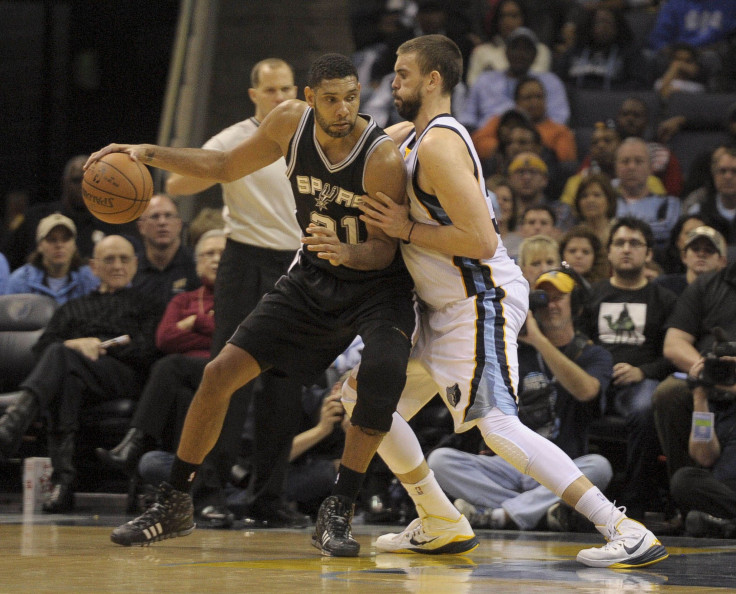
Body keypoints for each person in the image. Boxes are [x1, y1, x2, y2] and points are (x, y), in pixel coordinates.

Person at [356, 34, 667, 567]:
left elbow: (479, 241)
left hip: (477, 299)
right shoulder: (415, 136)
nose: (394, 82)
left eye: (404, 73)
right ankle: (439, 520)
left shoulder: (438, 143)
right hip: (441, 306)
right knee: (363, 400)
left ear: (434, 80)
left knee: (496, 426)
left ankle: (623, 527)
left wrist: (406, 226)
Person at [88, 53, 416, 555]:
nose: (344, 108)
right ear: (308, 100)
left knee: (384, 373)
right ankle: (176, 501)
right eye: (331, 99)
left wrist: (347, 250)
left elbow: (384, 249)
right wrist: (146, 153)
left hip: (374, 286)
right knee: (219, 374)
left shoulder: (381, 158)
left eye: (351, 97)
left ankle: (339, 510)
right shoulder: (289, 124)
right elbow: (222, 166)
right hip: (314, 275)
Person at [165, 57, 307, 529]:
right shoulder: (234, 139)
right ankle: (209, 493)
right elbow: (178, 182)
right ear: (254, 95)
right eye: (271, 90)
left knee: (285, 388)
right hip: (245, 260)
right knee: (229, 381)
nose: (280, 97)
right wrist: (223, 171)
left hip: (298, 264)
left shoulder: (311, 137)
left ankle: (269, 498)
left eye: (287, 88)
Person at [431, 267, 613, 532]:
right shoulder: (511, 351)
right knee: (439, 462)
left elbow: (586, 391)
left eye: (558, 297)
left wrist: (540, 342)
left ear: (577, 306)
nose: (550, 305)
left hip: (559, 466)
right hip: (507, 465)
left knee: (599, 467)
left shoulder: (593, 355)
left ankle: (498, 515)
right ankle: (535, 512)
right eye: (543, 298)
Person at [0, 235, 164, 512]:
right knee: (67, 376)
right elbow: (40, 350)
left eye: (124, 259)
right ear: (93, 267)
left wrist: (99, 348)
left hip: (125, 378)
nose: (117, 266)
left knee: (63, 358)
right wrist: (74, 345)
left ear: (135, 264)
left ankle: (12, 427)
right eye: (109, 259)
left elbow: (149, 350)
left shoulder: (148, 305)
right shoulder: (73, 308)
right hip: (79, 377)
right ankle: (65, 484)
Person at [95, 231, 227, 524]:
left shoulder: (240, 298)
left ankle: (135, 443)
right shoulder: (182, 300)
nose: (216, 259)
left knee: (169, 367)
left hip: (225, 371)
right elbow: (165, 338)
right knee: (179, 387)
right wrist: (208, 331)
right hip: (189, 376)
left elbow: (228, 340)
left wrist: (195, 323)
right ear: (196, 264)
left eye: (222, 253)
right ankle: (196, 492)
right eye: (209, 254)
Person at [580, 217, 678, 519]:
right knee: (567, 397)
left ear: (648, 253)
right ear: (608, 253)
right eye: (619, 243)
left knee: (646, 408)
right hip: (594, 379)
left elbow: (671, 355)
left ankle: (635, 503)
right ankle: (572, 501)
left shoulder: (664, 299)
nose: (626, 249)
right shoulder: (591, 295)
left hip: (640, 381)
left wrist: (643, 372)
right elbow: (577, 341)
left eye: (635, 244)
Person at [1, 155, 139, 269]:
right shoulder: (35, 218)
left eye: (91, 180)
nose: (83, 186)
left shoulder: (110, 224)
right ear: (65, 183)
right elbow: (9, 261)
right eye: (77, 180)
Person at [670, 359, 736, 538]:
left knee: (696, 520)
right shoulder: (718, 406)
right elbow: (704, 457)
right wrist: (699, 396)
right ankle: (727, 524)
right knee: (683, 480)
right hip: (725, 491)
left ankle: (724, 524)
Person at [459, 27, 570, 131]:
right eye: (515, 48)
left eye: (526, 49)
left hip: (536, 139)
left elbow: (559, 118)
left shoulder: (551, 82)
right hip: (490, 138)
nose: (520, 54)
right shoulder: (485, 80)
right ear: (506, 52)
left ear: (535, 54)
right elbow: (467, 116)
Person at [471, 77, 577, 164]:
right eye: (528, 98)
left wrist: (531, 146)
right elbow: (477, 142)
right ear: (516, 102)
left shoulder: (560, 131)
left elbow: (566, 161)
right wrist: (503, 146)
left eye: (539, 97)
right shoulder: (500, 122)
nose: (534, 102)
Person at [6, 213, 99, 304]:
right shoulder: (20, 281)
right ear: (39, 246)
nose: (59, 245)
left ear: (74, 245)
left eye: (65, 239)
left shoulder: (89, 278)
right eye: (52, 239)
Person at [613, 137, 681, 256]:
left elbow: (667, 230)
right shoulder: (605, 203)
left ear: (650, 167)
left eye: (638, 161)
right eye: (625, 161)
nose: (631, 167)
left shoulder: (668, 204)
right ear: (616, 167)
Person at [132, 194, 199, 306]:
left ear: (179, 224)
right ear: (141, 227)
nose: (162, 222)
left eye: (168, 216)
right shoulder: (131, 269)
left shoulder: (197, 266)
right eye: (154, 216)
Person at [465, 0, 552, 86]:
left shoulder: (540, 50)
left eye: (513, 16)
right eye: (503, 16)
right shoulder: (481, 52)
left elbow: (538, 84)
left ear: (524, 17)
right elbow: (473, 85)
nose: (507, 21)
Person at [507, 151, 575, 233]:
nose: (526, 177)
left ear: (545, 179)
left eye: (533, 172)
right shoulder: (505, 212)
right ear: (510, 179)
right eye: (520, 172)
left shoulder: (560, 210)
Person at [654, 225, 727, 296]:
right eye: (695, 249)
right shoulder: (663, 287)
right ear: (684, 256)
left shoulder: (729, 293)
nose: (701, 254)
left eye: (709, 250)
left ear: (722, 261)